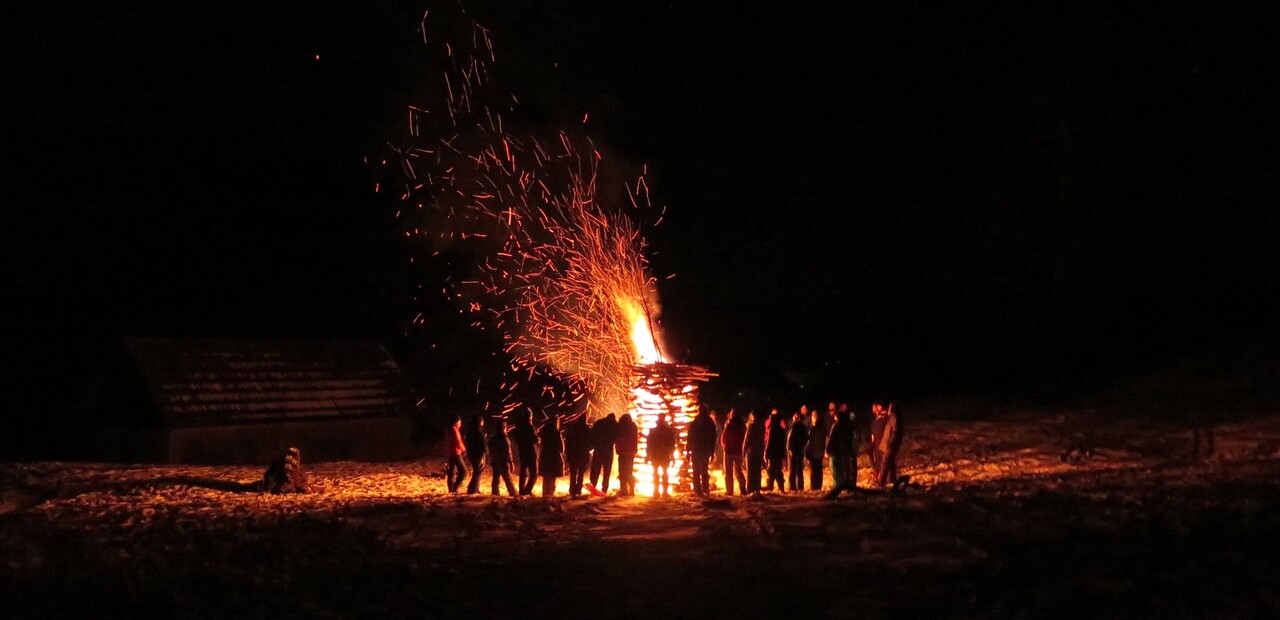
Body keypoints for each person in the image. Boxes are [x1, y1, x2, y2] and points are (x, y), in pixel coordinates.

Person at [871, 401, 903, 488]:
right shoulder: (892, 418)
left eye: (889, 408)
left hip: (889, 445)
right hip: (886, 444)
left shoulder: (894, 419)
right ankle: (891, 480)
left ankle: (881, 482)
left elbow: (895, 432)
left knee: (884, 463)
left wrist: (890, 443)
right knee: (889, 462)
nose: (887, 410)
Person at [687, 408, 717, 496]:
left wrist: (688, 450)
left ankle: (697, 489)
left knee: (696, 470)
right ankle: (705, 488)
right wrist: (711, 451)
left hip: (696, 449)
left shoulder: (695, 423)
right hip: (705, 449)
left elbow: (690, 437)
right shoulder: (710, 423)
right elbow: (713, 438)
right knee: (704, 469)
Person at [647, 413, 677, 497]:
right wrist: (672, 456)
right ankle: (664, 492)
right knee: (664, 473)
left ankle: (657, 492)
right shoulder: (668, 431)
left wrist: (648, 455)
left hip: (656, 455)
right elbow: (672, 445)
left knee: (656, 473)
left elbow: (649, 444)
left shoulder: (653, 431)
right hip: (664, 455)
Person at [826, 405, 856, 491]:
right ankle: (841, 485)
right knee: (841, 468)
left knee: (837, 468)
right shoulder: (842, 424)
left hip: (838, 450)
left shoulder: (839, 425)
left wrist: (829, 448)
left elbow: (834, 438)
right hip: (841, 449)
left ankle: (839, 486)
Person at [588, 412, 619, 494]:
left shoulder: (599, 423)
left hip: (598, 449)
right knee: (607, 471)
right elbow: (616, 437)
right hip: (608, 450)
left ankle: (593, 485)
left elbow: (592, 435)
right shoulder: (614, 425)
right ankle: (604, 488)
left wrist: (593, 445)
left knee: (596, 469)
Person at [511, 410, 539, 496]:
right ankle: (527, 490)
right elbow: (534, 439)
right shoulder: (529, 426)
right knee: (534, 472)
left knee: (523, 470)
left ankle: (521, 490)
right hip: (531, 451)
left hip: (522, 451)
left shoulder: (518, 427)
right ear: (529, 416)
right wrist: (538, 439)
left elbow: (517, 439)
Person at [563, 414, 593, 497]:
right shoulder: (587, 430)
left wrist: (568, 452)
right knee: (580, 474)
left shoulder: (572, 429)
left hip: (573, 454)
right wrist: (588, 450)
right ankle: (578, 489)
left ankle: (572, 489)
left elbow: (568, 441)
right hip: (583, 454)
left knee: (573, 473)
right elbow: (590, 442)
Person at [487, 417, 517, 496]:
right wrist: (511, 462)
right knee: (508, 479)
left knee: (495, 480)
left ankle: (495, 494)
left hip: (495, 461)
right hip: (503, 462)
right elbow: (508, 452)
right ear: (504, 428)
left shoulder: (492, 438)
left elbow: (490, 450)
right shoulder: (504, 439)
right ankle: (514, 494)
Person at [720, 409, 747, 495]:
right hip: (739, 451)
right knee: (738, 471)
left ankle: (730, 491)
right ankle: (743, 487)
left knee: (728, 472)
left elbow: (724, 438)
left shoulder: (729, 425)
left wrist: (724, 446)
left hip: (729, 451)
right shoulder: (743, 426)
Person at [538, 415, 564, 497]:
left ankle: (545, 494)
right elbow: (561, 448)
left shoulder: (544, 432)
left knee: (546, 477)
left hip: (545, 456)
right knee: (552, 477)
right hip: (554, 458)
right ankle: (550, 494)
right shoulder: (556, 433)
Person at [763, 408, 788, 492]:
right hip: (779, 453)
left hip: (773, 453)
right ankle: (777, 486)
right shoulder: (782, 430)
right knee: (776, 470)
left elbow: (770, 442)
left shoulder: (772, 429)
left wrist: (766, 452)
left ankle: (774, 487)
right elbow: (783, 443)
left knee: (772, 470)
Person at [615, 413, 639, 497]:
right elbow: (635, 438)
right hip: (631, 452)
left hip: (622, 453)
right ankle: (631, 489)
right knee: (629, 471)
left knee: (622, 471)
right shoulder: (633, 426)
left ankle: (624, 489)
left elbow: (618, 438)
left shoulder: (621, 426)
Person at [804, 407, 828, 490]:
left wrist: (807, 452)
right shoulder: (822, 427)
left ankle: (814, 486)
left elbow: (810, 441)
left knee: (814, 470)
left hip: (813, 452)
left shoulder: (813, 429)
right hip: (819, 452)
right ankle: (818, 485)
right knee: (819, 469)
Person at [743, 410, 766, 494]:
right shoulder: (762, 426)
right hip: (759, 451)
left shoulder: (751, 426)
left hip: (751, 451)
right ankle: (757, 488)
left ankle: (750, 489)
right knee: (757, 471)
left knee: (750, 471)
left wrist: (744, 451)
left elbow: (747, 439)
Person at [463, 414, 487, 494]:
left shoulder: (470, 431)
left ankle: (475, 488)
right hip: (478, 455)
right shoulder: (478, 431)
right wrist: (486, 453)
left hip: (471, 454)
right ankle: (472, 489)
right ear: (480, 422)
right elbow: (483, 444)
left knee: (477, 471)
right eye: (482, 421)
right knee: (477, 471)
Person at [443, 415, 467, 493]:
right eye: (460, 422)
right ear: (456, 422)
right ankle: (455, 488)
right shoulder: (454, 430)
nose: (460, 424)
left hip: (450, 452)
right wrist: (464, 450)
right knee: (463, 472)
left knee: (452, 472)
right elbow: (458, 442)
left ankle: (451, 489)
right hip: (456, 453)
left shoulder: (448, 429)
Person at [787, 410, 809, 492]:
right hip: (798, 450)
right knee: (799, 469)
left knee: (793, 470)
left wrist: (791, 448)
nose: (795, 417)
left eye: (797, 416)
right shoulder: (800, 426)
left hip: (795, 451)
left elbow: (791, 439)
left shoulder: (796, 426)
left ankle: (793, 487)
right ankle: (800, 486)